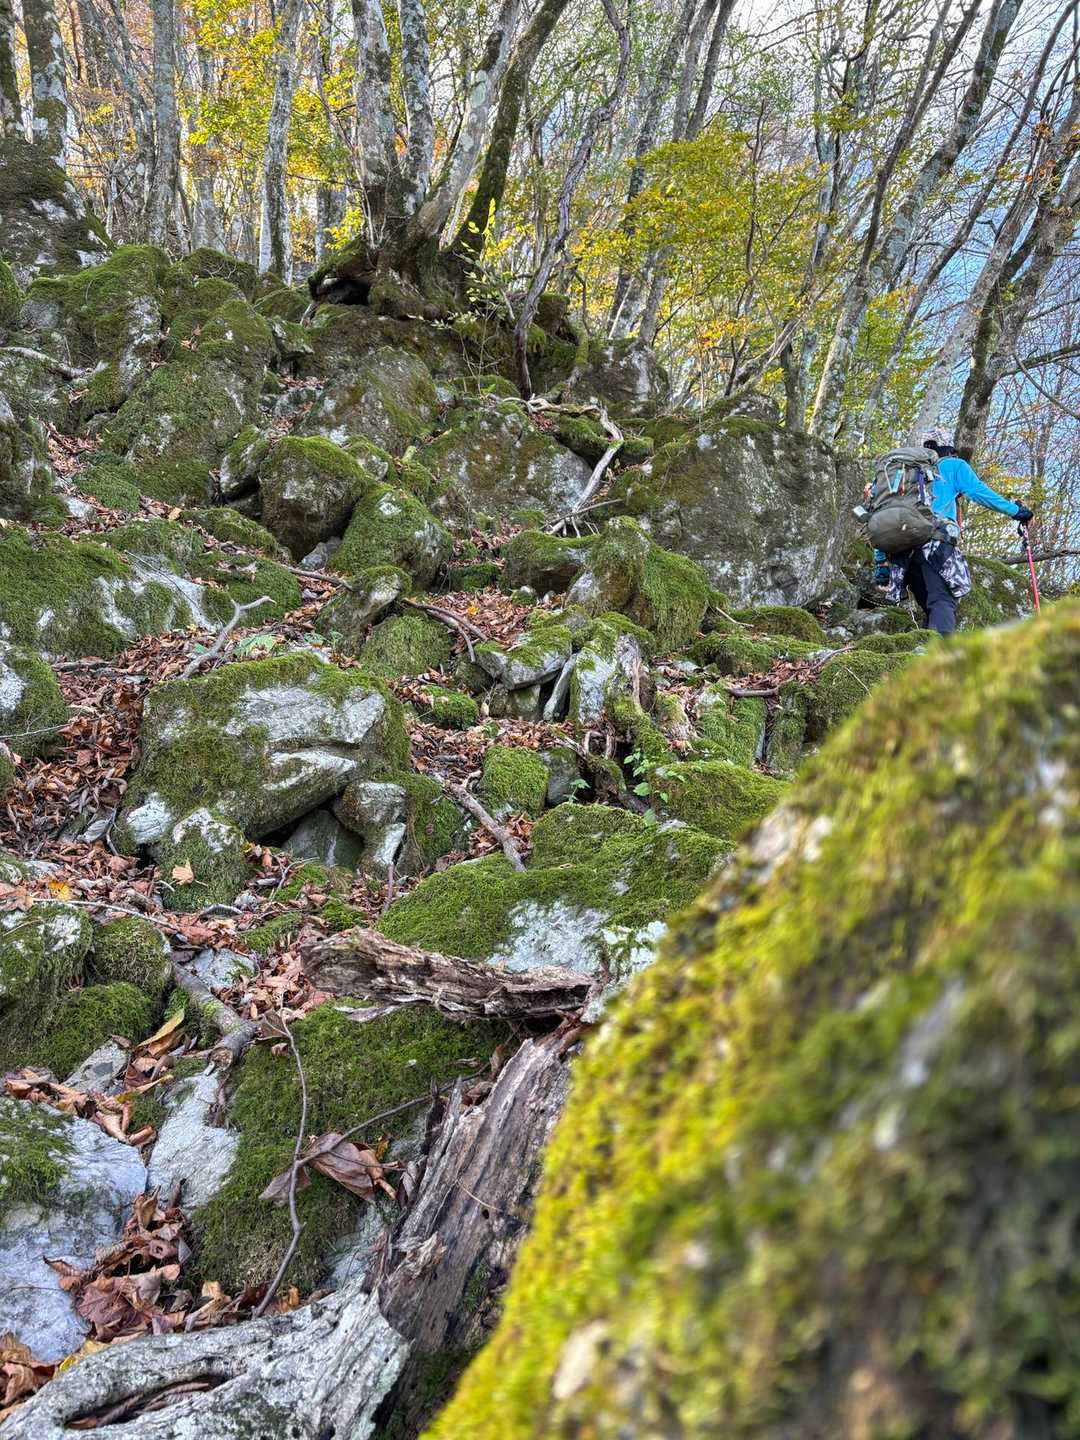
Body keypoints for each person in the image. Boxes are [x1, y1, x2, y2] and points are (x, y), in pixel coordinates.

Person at [874, 426, 1033, 635]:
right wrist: (1016, 511)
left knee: (929, 606)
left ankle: (924, 648)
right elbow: (978, 492)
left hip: (901, 549)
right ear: (949, 448)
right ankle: (941, 652)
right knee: (942, 601)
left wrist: (881, 563)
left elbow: (881, 513)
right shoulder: (953, 465)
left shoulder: (903, 472)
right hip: (935, 542)